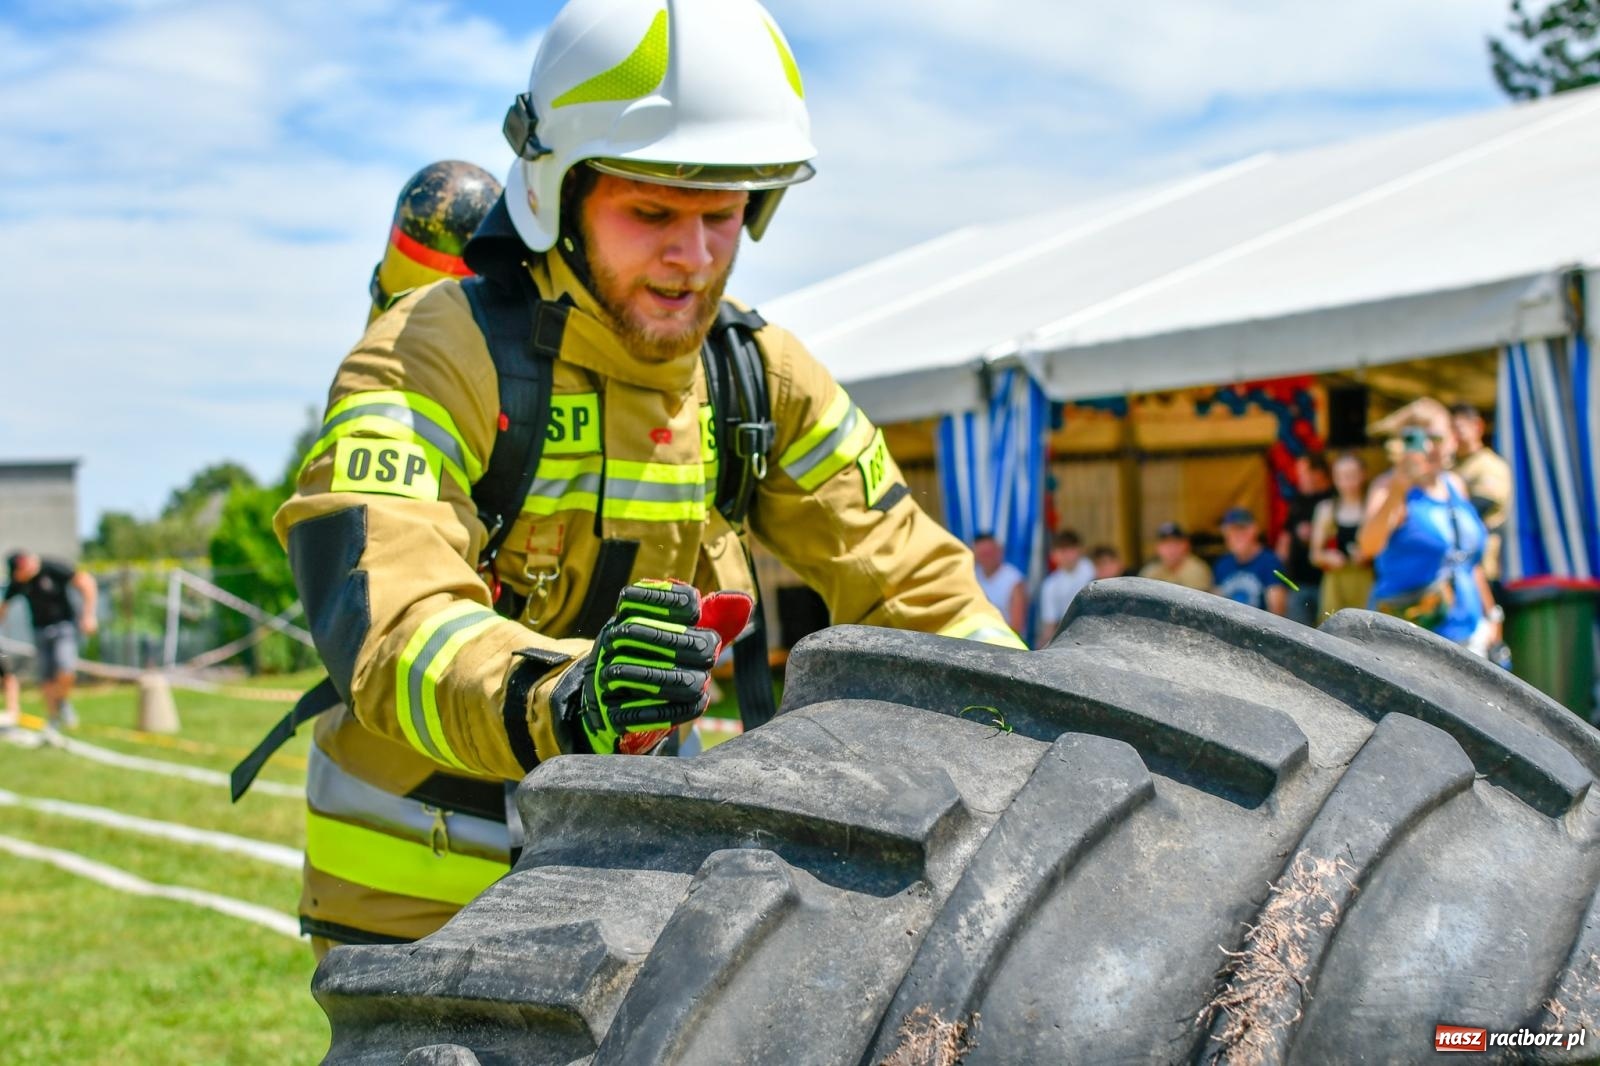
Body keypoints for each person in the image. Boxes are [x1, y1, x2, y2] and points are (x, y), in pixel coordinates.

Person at [272, 0, 1024, 958]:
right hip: (423, 910)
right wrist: (569, 699)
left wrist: (1031, 731)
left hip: (647, 898)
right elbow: (391, 623)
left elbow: (919, 587)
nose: (695, 256)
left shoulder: (759, 371)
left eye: (725, 213)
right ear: (556, 195)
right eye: (653, 211)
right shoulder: (426, 353)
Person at [1359, 399, 1500, 655]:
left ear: (1453, 439)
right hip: (1413, 641)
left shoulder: (1455, 485)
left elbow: (1468, 560)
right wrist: (1399, 488)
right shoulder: (1388, 486)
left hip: (1470, 633)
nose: (1427, 448)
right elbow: (1368, 546)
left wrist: (1492, 615)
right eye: (1417, 439)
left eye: (1436, 438)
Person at [0, 551, 98, 730]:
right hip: (39, 631)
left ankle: (62, 702)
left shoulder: (51, 568)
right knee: (47, 678)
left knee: (66, 669)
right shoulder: (19, 582)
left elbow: (85, 581)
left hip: (64, 626)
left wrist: (88, 615)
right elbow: (3, 607)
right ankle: (53, 719)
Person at [1449, 403, 1511, 583]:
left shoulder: (1489, 464)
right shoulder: (1449, 467)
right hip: (1453, 567)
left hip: (1482, 563)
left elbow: (1481, 506)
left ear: (1478, 426)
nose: (1455, 435)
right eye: (1450, 429)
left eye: (1459, 428)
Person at [1309, 452, 1374, 621]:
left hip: (1366, 582)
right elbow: (1314, 555)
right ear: (1334, 478)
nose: (1348, 482)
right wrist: (1328, 557)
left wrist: (1368, 555)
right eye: (1342, 476)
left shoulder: (1373, 507)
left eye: (1352, 475)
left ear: (1363, 474)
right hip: (1336, 584)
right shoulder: (1326, 509)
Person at [1275, 452, 1333, 626]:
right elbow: (1284, 539)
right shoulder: (1298, 501)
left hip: (1328, 583)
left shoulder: (1334, 499)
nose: (1298, 478)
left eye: (1303, 473)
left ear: (1318, 473)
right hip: (1298, 583)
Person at [1213, 509, 1288, 615]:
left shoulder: (1270, 563)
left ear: (1254, 530)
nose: (1236, 535)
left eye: (1242, 529)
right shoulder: (1223, 564)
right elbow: (1216, 607)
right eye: (1230, 530)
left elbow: (1277, 611)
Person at [1034, 529, 1094, 647]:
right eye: (1061, 550)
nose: (1065, 555)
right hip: (1070, 638)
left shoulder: (1093, 571)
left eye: (1069, 549)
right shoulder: (1050, 585)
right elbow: (1050, 624)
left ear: (1080, 549)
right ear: (1053, 555)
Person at [1139, 522, 1213, 591]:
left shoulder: (1197, 570)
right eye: (1166, 544)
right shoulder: (1151, 571)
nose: (1171, 549)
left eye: (1176, 543)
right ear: (1158, 547)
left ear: (1186, 545)